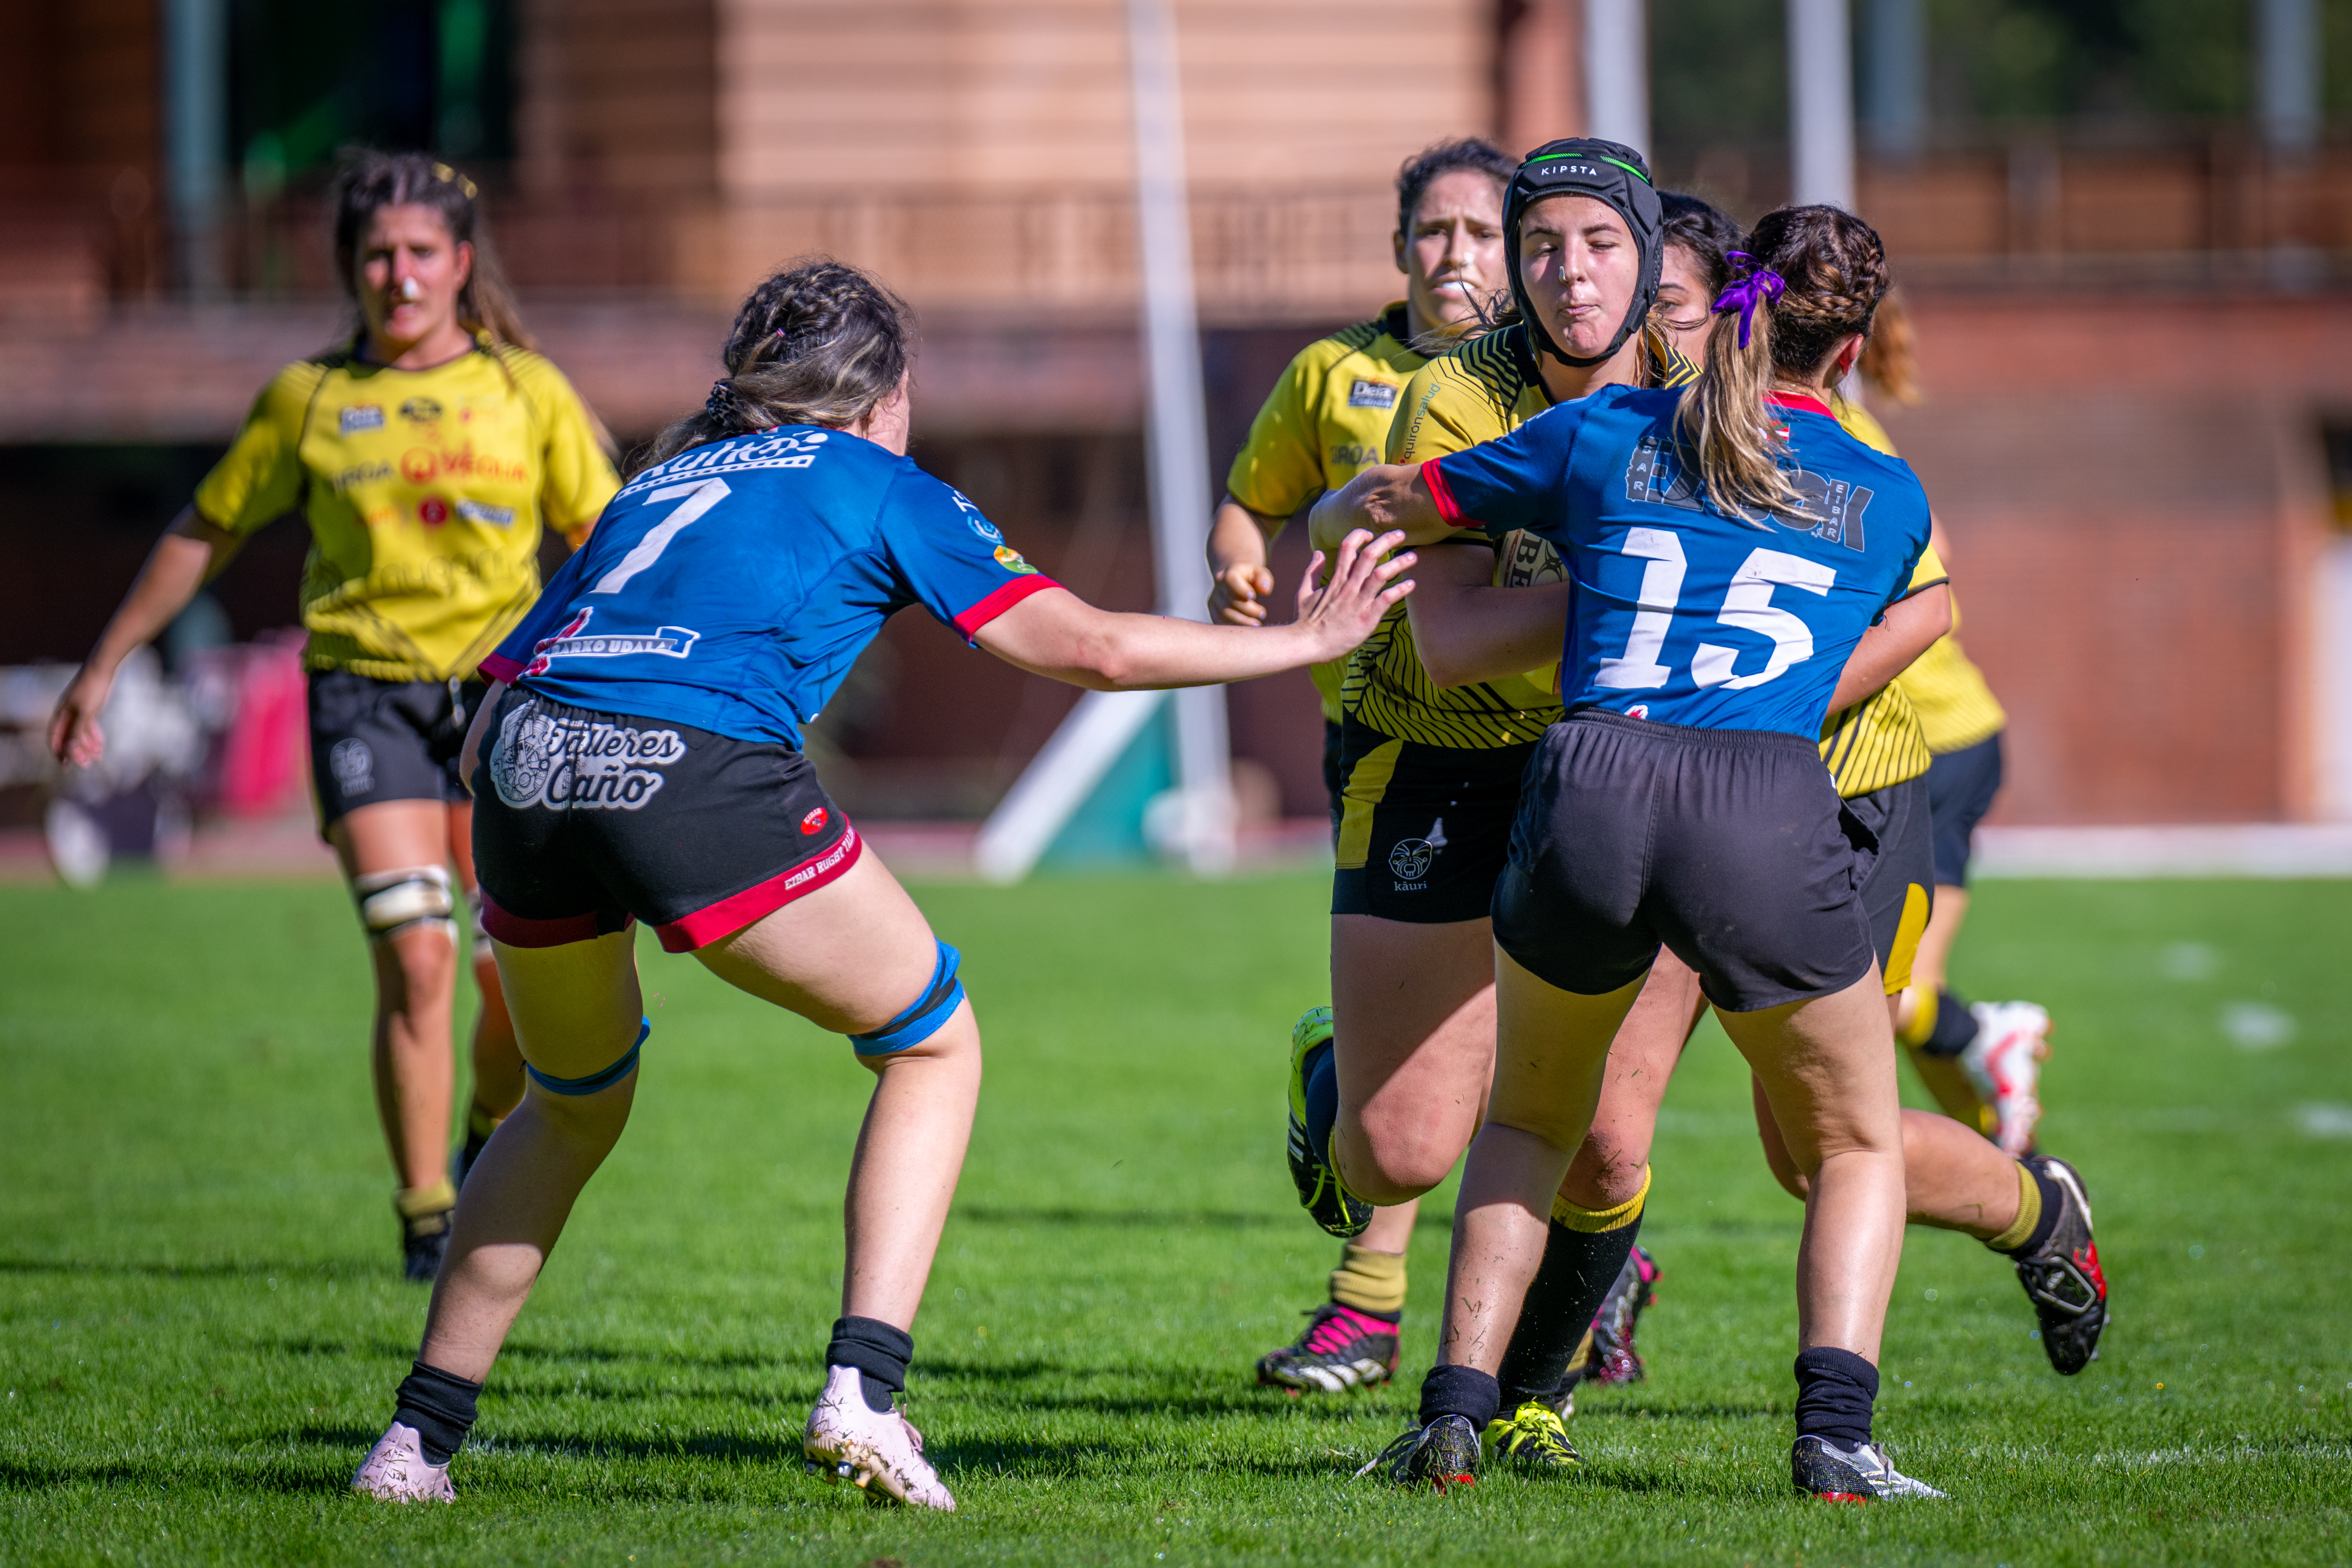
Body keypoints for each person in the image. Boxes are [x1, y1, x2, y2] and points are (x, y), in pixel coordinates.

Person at [346, 258, 1415, 1512]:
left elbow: (484, 722)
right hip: (688, 769)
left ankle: (412, 1446)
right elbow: (1092, 646)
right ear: (883, 396)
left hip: (525, 766)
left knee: (568, 1103)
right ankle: (863, 1393)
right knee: (932, 1042)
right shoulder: (876, 479)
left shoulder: (660, 481)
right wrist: (1308, 638)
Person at [1398, 197, 2107, 1442]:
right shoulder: (1638, 420)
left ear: (1729, 308)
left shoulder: (1826, 446)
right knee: (1604, 1128)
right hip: (1694, 779)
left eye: (1672, 309)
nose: (1648, 331)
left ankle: (2034, 1212)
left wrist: (1752, 699)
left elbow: (1930, 610)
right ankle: (1528, 1389)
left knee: (1808, 1146)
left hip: (1845, 785)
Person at [49, 153, 620, 1280]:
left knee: (511, 978)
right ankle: (424, 1220)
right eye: (375, 256)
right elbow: (204, 529)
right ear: (349, 269)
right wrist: (104, 664)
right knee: (415, 957)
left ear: (460, 263)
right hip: (363, 698)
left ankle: (476, 1139)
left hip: (500, 704)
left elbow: (604, 541)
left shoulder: (526, 391)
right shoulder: (308, 400)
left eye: (419, 254)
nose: (397, 276)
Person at [1276, 139, 1703, 1471]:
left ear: (1649, 258)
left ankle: (1536, 1394)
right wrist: (1665, 600)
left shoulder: (1711, 398)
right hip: (1443, 749)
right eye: (1542, 247)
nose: (1570, 273)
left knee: (1611, 1142)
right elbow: (1455, 640)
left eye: (1601, 245)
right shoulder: (1461, 394)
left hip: (1638, 764)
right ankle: (1331, 1068)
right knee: (1400, 1155)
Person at [1208, 135, 1515, 1397]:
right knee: (1439, 1039)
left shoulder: (1564, 379)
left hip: (1560, 736)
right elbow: (1254, 498)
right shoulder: (1334, 373)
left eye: (1484, 233)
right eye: (1436, 232)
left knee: (1557, 1033)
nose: (1458, 255)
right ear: (1399, 249)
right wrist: (1241, 562)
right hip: (1395, 738)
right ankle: (1368, 1307)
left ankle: (1589, 1275)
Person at [1855, 293, 2053, 1156]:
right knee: (1889, 993)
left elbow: (1932, 547)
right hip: (1916, 740)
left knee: (1883, 998)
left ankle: (1984, 1039)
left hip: (1931, 742)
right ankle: (2002, 1153)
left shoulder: (1832, 428)